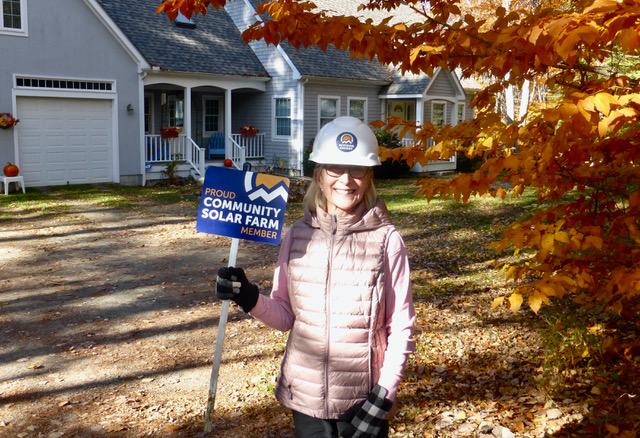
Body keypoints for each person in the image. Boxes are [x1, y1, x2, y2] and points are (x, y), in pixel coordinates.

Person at [216, 116, 415, 438]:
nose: (346, 181)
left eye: (357, 170)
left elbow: (401, 326)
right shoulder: (296, 235)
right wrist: (247, 296)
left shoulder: (387, 240)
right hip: (305, 397)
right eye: (335, 169)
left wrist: (383, 395)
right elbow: (285, 316)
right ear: (319, 176)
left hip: (364, 399)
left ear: (369, 177)